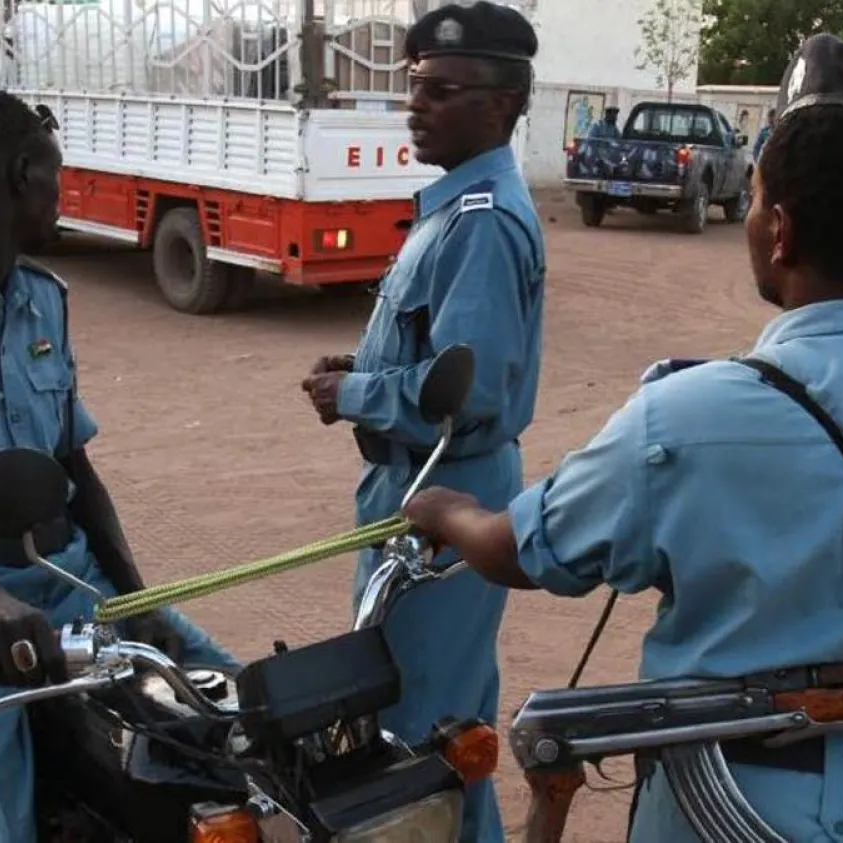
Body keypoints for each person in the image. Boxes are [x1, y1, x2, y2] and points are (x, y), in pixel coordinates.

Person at [404, 33, 843, 843]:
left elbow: (520, 551)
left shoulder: (678, 416)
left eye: (750, 199)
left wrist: (446, 511)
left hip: (713, 808)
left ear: (779, 230)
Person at [0, 86, 239, 843]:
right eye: (58, 174)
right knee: (1, 832)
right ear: (23, 173)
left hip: (68, 583)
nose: (66, 191)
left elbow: (75, 470)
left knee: (241, 732)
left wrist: (135, 600)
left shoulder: (40, 298)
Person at [299, 3, 544, 841]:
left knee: (416, 735)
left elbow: (467, 394)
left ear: (504, 104)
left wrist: (358, 396)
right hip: (423, 489)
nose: (418, 105)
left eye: (443, 90)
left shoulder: (480, 224)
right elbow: (439, 353)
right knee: (449, 726)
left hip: (442, 498)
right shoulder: (453, 206)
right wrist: (361, 369)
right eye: (414, 87)